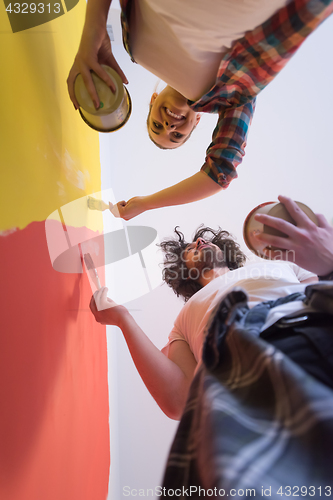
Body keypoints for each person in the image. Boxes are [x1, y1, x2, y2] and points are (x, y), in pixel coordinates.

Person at [67, 0, 333, 221]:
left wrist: (92, 34)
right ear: (195, 123)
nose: (169, 126)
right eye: (176, 136)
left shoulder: (133, 45)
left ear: (152, 100)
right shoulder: (232, 96)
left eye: (156, 125)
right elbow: (220, 173)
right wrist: (145, 204)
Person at [89, 196, 333, 420]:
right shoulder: (183, 322)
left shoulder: (282, 266)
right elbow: (177, 402)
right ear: (185, 274)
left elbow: (321, 303)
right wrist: (124, 320)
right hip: (251, 380)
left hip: (311, 342)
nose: (200, 241)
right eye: (191, 249)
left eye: (203, 241)